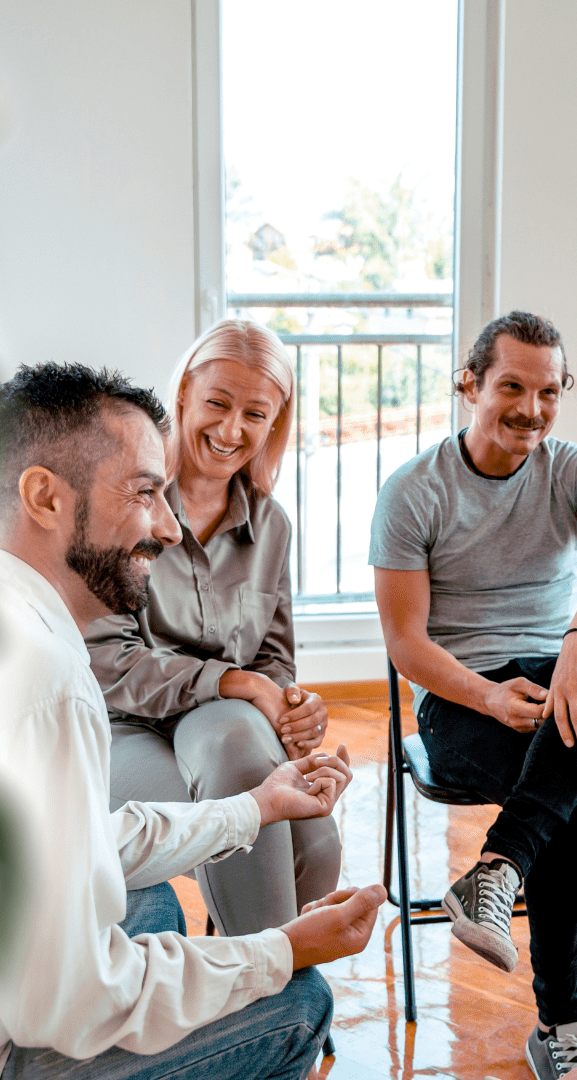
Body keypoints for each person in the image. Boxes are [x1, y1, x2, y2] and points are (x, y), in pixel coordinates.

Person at [0, 362, 385, 1080]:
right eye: (142, 493)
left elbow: (84, 842)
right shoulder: (47, 682)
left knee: (147, 896)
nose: (165, 526)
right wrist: (281, 952)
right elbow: (67, 1006)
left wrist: (255, 809)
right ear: (44, 497)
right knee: (299, 1003)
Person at [371, 311, 577, 1079]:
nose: (532, 408)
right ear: (469, 384)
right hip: (462, 698)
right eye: (512, 387)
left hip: (563, 676)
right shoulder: (413, 493)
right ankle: (559, 1025)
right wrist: (491, 700)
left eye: (549, 390)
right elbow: (407, 646)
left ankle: (498, 868)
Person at [84, 320, 343, 938]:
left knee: (319, 847)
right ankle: (265, 999)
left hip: (234, 729)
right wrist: (237, 685)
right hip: (127, 728)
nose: (232, 431)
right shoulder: (125, 504)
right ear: (183, 398)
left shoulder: (271, 525)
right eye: (218, 404)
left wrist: (290, 705)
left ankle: (253, 986)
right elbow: (108, 663)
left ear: (274, 424)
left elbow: (274, 660)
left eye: (255, 415)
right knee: (239, 760)